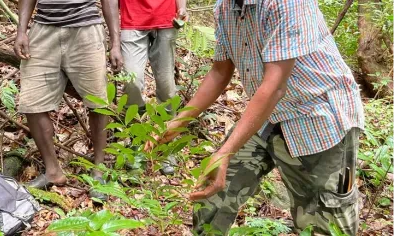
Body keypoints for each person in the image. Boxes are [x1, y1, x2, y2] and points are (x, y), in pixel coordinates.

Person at [145, 0, 365, 235]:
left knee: (322, 219)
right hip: (268, 115)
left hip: (317, 115)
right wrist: (178, 122)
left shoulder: (287, 3)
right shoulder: (225, 7)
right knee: (213, 195)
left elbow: (274, 87)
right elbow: (220, 71)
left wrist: (224, 152)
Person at [14, 0, 123, 201]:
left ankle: (98, 171)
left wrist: (116, 43)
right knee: (32, 102)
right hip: (43, 30)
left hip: (86, 30)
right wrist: (21, 31)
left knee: (97, 102)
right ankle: (53, 171)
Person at [118, 0, 188, 175]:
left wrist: (182, 7)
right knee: (131, 82)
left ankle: (164, 142)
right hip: (132, 17)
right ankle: (137, 138)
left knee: (167, 88)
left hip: (166, 18)